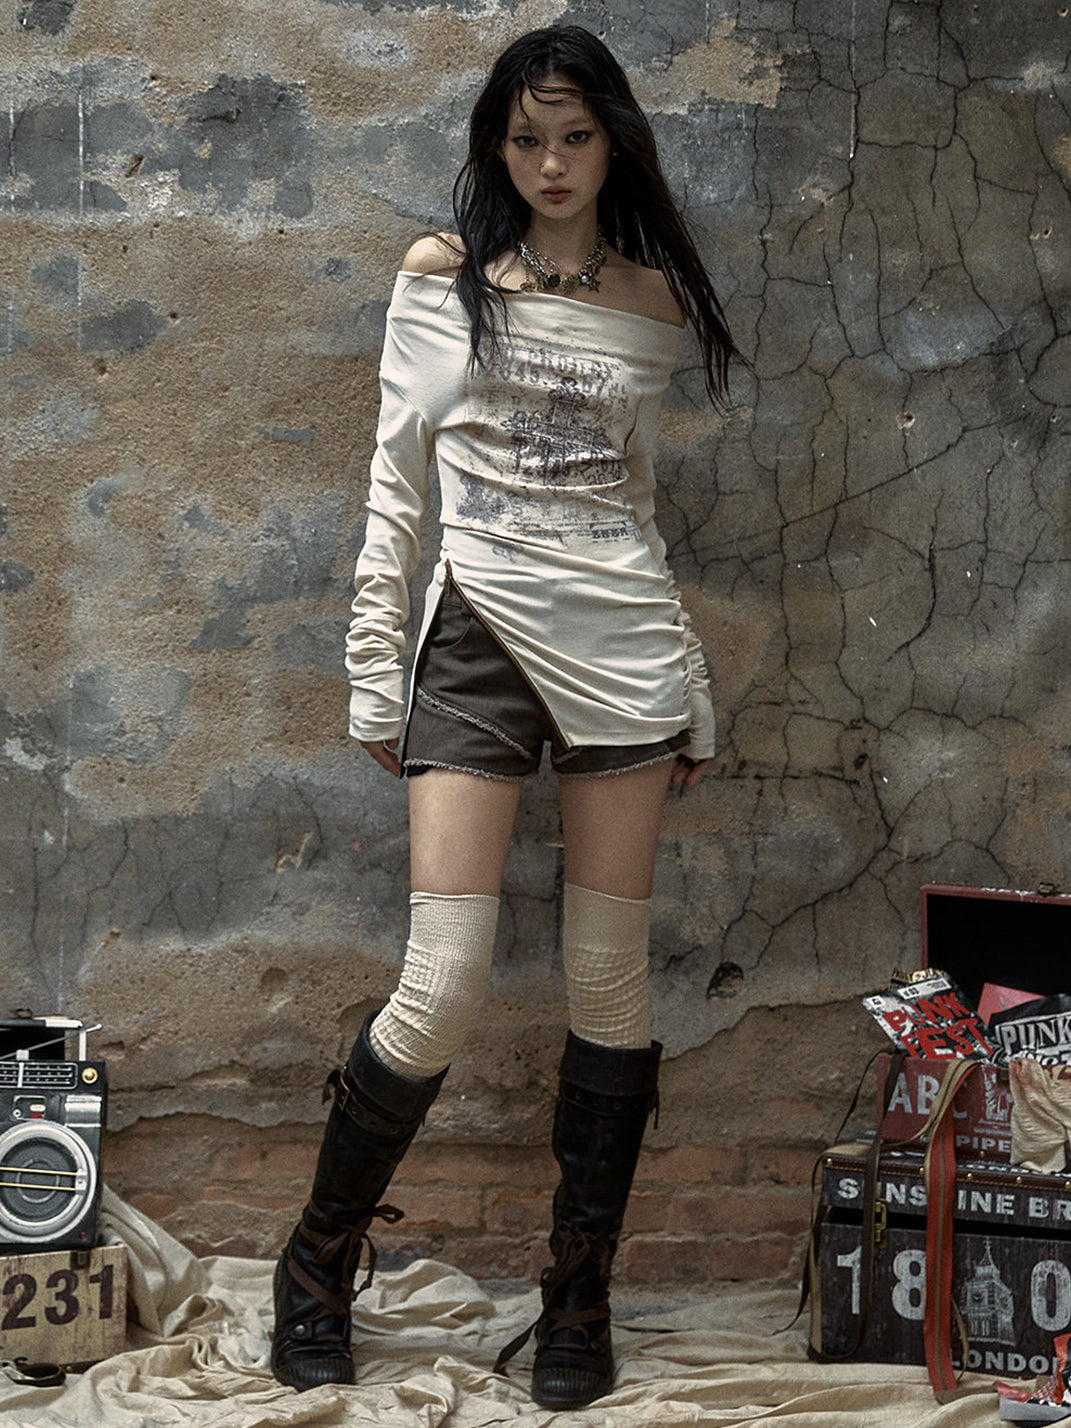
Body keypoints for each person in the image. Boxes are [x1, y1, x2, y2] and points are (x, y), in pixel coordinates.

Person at [271, 23, 735, 1410]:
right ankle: (315, 1266)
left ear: (614, 145)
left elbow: (632, 504)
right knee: (444, 981)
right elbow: (397, 484)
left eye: (575, 137)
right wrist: (375, 667)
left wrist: (691, 680)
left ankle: (577, 1297)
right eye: (526, 139)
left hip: (623, 651)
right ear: (497, 146)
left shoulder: (651, 304)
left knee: (610, 985)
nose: (550, 163)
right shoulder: (442, 277)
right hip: (473, 636)